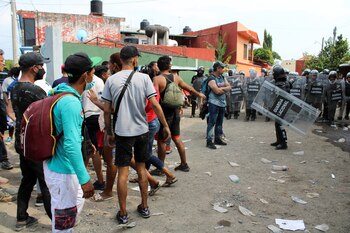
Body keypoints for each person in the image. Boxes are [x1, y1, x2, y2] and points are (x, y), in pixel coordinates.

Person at [102, 46, 170, 224]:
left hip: (122, 132)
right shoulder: (144, 78)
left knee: (123, 173)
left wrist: (109, 132)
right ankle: (144, 206)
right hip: (142, 130)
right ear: (133, 59)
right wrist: (165, 125)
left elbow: (107, 111)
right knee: (141, 168)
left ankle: (123, 213)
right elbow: (154, 104)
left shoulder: (111, 80)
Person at [44, 52, 95, 232]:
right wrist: (85, 179)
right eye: (92, 71)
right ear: (84, 75)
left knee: (69, 211)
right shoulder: (70, 103)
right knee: (63, 224)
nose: (93, 75)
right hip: (63, 170)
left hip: (57, 166)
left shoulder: (59, 94)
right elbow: (71, 146)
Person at [11, 52, 52, 231]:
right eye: (41, 66)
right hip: (35, 144)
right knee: (46, 183)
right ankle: (57, 222)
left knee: (27, 179)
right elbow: (48, 116)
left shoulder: (14, 88)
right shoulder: (35, 91)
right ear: (34, 68)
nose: (43, 69)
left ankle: (21, 218)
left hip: (21, 143)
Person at [153, 55, 205, 171]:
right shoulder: (176, 77)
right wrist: (199, 94)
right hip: (175, 112)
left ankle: (160, 168)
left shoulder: (157, 79)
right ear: (169, 66)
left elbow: (155, 99)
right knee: (177, 137)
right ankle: (184, 164)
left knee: (162, 141)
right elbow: (189, 89)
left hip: (164, 113)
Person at [205, 61, 231, 149]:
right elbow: (217, 91)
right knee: (211, 123)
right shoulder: (211, 79)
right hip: (213, 104)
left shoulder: (222, 77)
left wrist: (221, 88)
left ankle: (217, 139)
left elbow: (229, 87)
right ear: (217, 68)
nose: (223, 69)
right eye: (222, 68)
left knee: (220, 123)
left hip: (222, 104)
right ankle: (209, 141)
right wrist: (224, 88)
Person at [270, 65, 290, 150]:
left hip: (282, 106)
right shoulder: (286, 82)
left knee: (280, 125)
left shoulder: (281, 84)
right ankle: (279, 140)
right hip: (280, 105)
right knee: (277, 123)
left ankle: (283, 143)